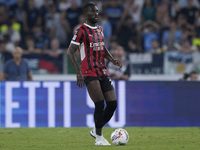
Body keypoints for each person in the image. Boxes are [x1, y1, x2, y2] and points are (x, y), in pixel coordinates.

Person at [67, 3, 122, 146]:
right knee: (99, 103)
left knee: (112, 104)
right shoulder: (81, 31)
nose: (96, 14)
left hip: (102, 70)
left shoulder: (100, 29)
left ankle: (96, 129)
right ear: (86, 14)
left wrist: (112, 60)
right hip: (88, 71)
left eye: (97, 12)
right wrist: (78, 71)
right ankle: (99, 137)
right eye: (93, 12)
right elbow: (70, 51)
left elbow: (102, 48)